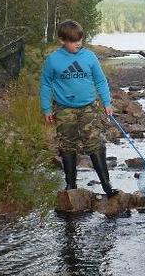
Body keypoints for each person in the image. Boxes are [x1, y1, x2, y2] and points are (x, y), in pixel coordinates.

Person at [40, 20, 117, 196]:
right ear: (62, 40)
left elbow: (100, 80)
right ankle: (71, 186)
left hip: (88, 107)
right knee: (67, 146)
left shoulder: (89, 57)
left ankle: (106, 185)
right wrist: (46, 109)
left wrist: (107, 102)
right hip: (63, 109)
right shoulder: (53, 60)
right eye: (73, 41)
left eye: (80, 40)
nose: (78, 44)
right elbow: (45, 84)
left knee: (94, 143)